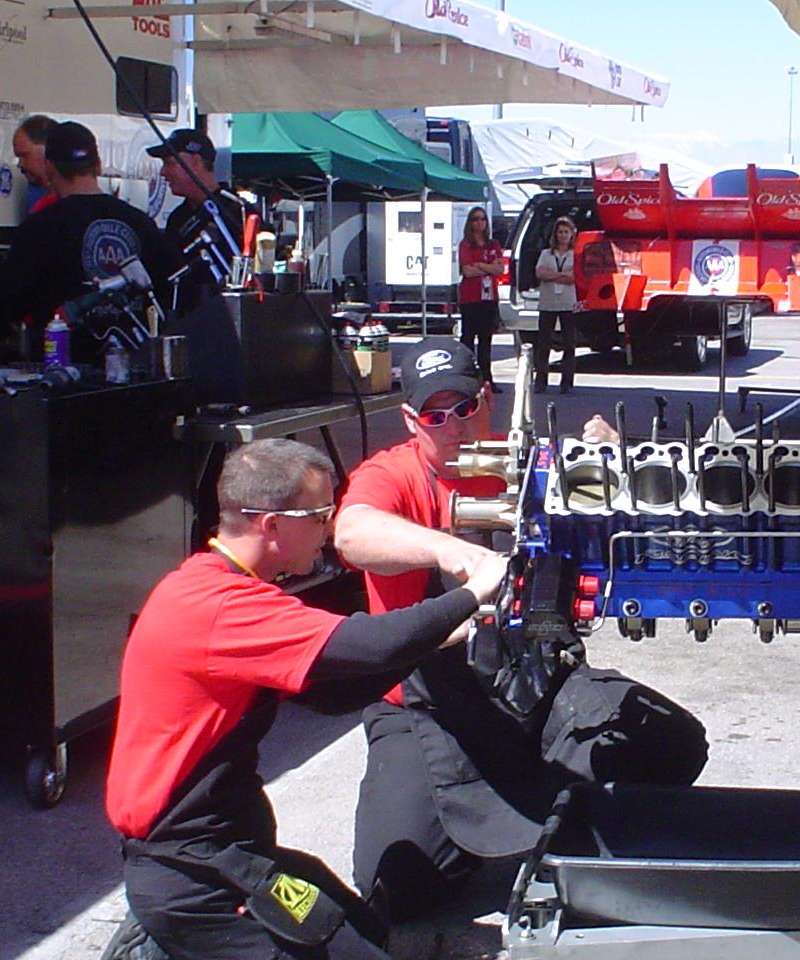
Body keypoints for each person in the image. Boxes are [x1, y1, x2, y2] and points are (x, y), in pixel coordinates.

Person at [333, 337, 708, 920]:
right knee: (396, 886)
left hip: (536, 684)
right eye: (435, 416)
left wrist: (615, 467)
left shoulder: (539, 465)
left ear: (489, 400)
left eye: (465, 407)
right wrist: (456, 554)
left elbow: (633, 531)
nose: (455, 426)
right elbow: (353, 532)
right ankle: (503, 816)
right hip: (427, 705)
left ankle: (544, 810)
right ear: (411, 421)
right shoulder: (394, 476)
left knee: (672, 743)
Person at [103, 438, 508, 960]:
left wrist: (444, 635)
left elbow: (332, 694)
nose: (330, 530)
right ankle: (157, 947)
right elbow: (373, 644)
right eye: (319, 516)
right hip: (195, 879)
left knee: (359, 929)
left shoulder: (218, 588)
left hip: (228, 852)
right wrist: (474, 591)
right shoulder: (218, 608)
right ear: (272, 526)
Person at [0, 121, 180, 361]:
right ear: (98, 164)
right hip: (134, 366)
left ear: (50, 167)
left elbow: (7, 303)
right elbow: (169, 289)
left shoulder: (39, 227)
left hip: (64, 368)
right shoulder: (141, 222)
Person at [148, 128, 244, 314]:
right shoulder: (177, 218)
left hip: (230, 316)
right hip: (187, 319)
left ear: (196, 162)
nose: (163, 172)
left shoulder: (237, 210)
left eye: (170, 163)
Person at [457, 205, 505, 393]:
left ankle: (487, 379)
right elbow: (467, 271)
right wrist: (488, 267)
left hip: (489, 298)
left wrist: (480, 265)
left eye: (483, 219)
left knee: (486, 340)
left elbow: (499, 269)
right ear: (470, 222)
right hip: (470, 298)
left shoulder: (493, 244)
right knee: (468, 338)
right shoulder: (465, 244)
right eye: (476, 219)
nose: (480, 222)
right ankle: (467, 378)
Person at [533, 216, 578, 394]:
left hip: (568, 303)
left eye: (566, 232)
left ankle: (566, 382)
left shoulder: (575, 254)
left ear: (572, 234)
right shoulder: (546, 254)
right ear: (555, 234)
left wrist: (552, 275)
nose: (563, 235)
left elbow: (575, 277)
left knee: (569, 344)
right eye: (560, 232)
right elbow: (540, 273)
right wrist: (561, 276)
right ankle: (541, 381)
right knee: (544, 343)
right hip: (548, 303)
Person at [12, 114, 58, 216]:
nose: (20, 164)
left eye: (25, 155)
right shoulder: (37, 200)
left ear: (47, 150)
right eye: (18, 157)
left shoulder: (72, 204)